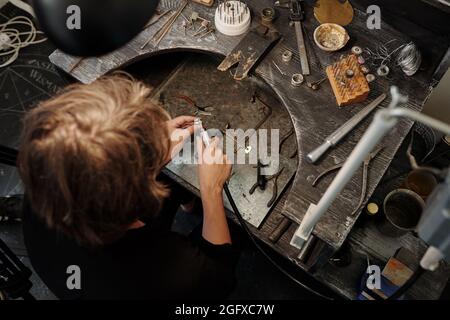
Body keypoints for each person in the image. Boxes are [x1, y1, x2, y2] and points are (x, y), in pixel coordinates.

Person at [18, 73, 237, 300]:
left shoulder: (49, 176)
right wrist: (211, 190)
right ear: (137, 197)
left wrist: (151, 145)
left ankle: (189, 206)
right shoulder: (171, 274)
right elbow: (221, 275)